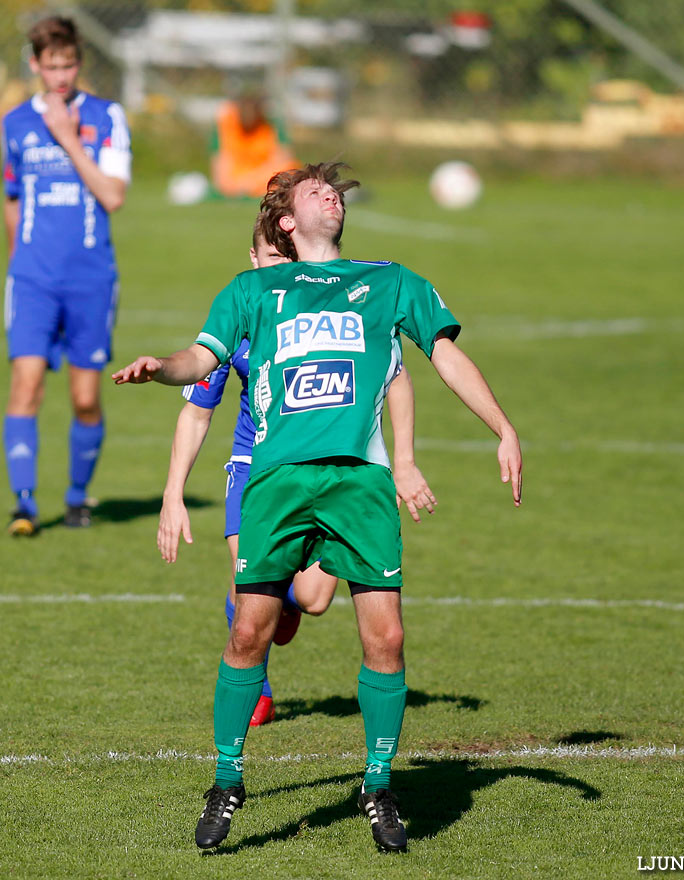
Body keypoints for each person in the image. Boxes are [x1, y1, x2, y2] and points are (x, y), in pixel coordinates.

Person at [113, 160, 522, 855]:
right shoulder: (253, 290)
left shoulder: (390, 281)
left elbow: (443, 356)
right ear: (286, 221)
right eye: (315, 191)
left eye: (336, 190)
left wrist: (503, 426)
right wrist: (163, 368)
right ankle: (227, 780)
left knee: (386, 639)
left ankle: (378, 784)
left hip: (360, 483)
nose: (331, 195)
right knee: (250, 632)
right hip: (277, 483)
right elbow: (200, 358)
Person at [158, 220, 435, 728]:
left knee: (312, 599)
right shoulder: (243, 316)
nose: (276, 267)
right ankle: (257, 687)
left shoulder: (322, 312)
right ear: (252, 257)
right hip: (254, 470)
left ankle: (275, 598)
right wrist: (173, 492)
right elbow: (197, 411)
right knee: (250, 600)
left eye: (286, 258)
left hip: (324, 471)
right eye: (267, 257)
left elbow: (394, 373)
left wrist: (403, 459)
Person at [0, 16, 131, 535]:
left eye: (69, 64)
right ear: (35, 64)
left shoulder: (106, 116)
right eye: (50, 66)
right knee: (26, 384)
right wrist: (17, 264)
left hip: (90, 277)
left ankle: (77, 497)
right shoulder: (13, 123)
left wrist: (66, 137)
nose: (60, 75)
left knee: (84, 397)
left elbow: (113, 196)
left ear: (80, 62)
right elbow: (12, 201)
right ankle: (25, 504)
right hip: (32, 278)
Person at [209, 94, 295, 199]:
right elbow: (220, 166)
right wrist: (237, 184)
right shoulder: (227, 125)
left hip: (264, 176)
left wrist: (252, 180)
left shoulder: (270, 125)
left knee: (287, 173)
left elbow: (283, 160)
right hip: (236, 179)